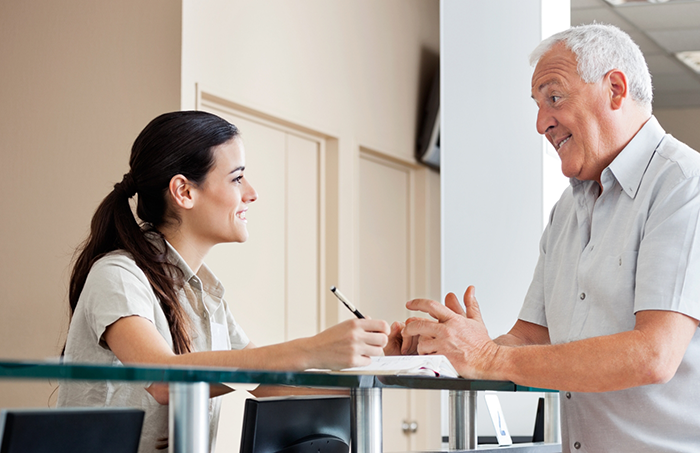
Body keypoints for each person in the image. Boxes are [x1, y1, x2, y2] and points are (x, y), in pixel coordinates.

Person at [400, 24, 700, 453]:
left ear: (615, 89)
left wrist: (488, 358)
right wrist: (450, 348)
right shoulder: (568, 208)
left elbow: (654, 354)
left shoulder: (685, 185)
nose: (542, 123)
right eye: (538, 105)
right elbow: (528, 337)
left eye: (554, 98)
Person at [58, 111, 391, 453]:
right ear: (184, 191)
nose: (252, 193)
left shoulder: (206, 294)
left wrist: (385, 361)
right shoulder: (117, 275)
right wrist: (311, 350)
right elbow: (164, 380)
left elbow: (270, 384)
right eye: (237, 178)